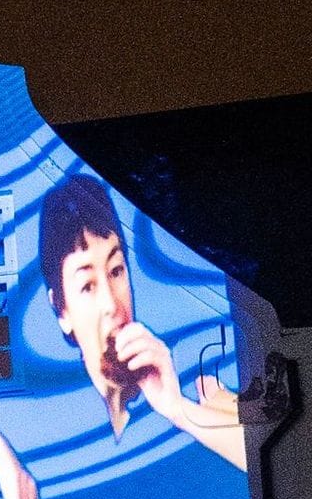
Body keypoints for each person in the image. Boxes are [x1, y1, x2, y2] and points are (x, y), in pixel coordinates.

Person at [41, 173, 245, 469]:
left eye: (116, 271)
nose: (111, 304)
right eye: (87, 286)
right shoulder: (59, 434)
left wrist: (177, 409)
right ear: (62, 310)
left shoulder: (199, 386)